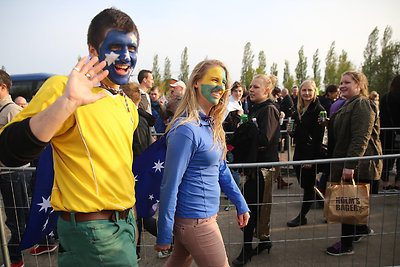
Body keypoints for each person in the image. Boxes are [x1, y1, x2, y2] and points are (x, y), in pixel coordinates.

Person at [0, 8, 140, 266]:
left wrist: (130, 218)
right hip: (94, 234)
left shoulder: (128, 106)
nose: (125, 56)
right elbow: (8, 148)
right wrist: (68, 102)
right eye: (116, 46)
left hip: (125, 226)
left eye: (132, 48)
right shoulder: (63, 88)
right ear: (93, 50)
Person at [154, 59, 250, 267]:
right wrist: (163, 233)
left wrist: (240, 203)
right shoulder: (186, 129)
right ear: (196, 82)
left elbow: (222, 169)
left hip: (200, 219)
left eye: (223, 82)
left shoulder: (210, 124)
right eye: (214, 79)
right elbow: (170, 183)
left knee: (178, 263)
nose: (220, 87)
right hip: (196, 222)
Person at [326, 71, 382, 256]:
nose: (342, 86)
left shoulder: (363, 104)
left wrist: (350, 165)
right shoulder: (350, 104)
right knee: (355, 200)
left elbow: (361, 137)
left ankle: (346, 244)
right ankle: (361, 229)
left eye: (347, 82)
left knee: (349, 201)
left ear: (359, 85)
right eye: (341, 82)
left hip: (359, 164)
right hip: (351, 161)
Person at [231, 74, 280, 265]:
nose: (251, 90)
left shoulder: (268, 109)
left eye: (256, 87)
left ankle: (247, 250)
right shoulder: (254, 108)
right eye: (250, 86)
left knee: (251, 208)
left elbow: (264, 140)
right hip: (254, 167)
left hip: (263, 168)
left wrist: (247, 130)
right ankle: (264, 241)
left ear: (267, 91)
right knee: (252, 206)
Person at [286, 80, 325, 227]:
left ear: (315, 91)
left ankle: (302, 216)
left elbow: (318, 139)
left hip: (310, 153)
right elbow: (296, 134)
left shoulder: (318, 110)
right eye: (304, 90)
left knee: (307, 185)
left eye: (310, 90)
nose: (307, 93)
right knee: (305, 183)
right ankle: (321, 199)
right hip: (299, 152)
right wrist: (291, 132)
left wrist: (312, 159)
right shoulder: (298, 110)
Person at [379, 75, 400, 191]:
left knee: (387, 159)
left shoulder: (386, 98)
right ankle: (398, 182)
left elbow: (382, 116)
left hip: (387, 134)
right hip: (397, 132)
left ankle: (386, 182)